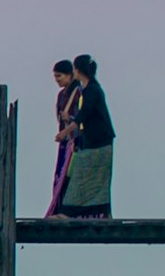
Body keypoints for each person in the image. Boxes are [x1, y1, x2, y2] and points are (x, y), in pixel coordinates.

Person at [57, 53, 116, 219]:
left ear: (79, 70)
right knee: (89, 176)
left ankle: (69, 212)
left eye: (75, 69)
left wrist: (64, 132)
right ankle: (100, 213)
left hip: (99, 141)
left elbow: (84, 115)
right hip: (93, 140)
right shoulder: (89, 89)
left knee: (85, 176)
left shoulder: (92, 90)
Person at [44, 60, 79, 216]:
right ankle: (59, 209)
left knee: (69, 176)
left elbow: (81, 118)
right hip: (65, 142)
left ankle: (68, 211)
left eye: (59, 76)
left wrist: (69, 120)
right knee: (60, 176)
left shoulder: (78, 92)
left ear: (70, 75)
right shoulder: (61, 95)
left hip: (74, 142)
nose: (57, 79)